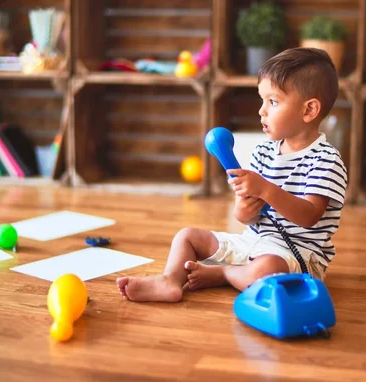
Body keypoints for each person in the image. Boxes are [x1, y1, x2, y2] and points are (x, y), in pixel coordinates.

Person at [116, 48, 347, 302]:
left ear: (309, 110)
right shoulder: (262, 152)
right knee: (187, 236)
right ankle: (170, 281)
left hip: (296, 256)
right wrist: (245, 209)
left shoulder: (326, 160)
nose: (261, 111)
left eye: (273, 101)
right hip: (252, 242)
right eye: (262, 100)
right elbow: (245, 218)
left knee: (266, 271)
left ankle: (224, 274)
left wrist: (266, 190)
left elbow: (309, 216)